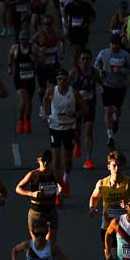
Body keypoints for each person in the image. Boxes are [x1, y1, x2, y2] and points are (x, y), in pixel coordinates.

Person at [42, 69, 85, 198]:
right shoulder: (51, 91)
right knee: (56, 160)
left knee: (68, 159)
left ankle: (66, 180)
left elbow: (85, 109)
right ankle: (58, 186)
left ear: (68, 80)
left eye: (64, 79)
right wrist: (45, 113)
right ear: (57, 80)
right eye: (59, 79)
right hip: (55, 128)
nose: (62, 81)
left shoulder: (74, 93)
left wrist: (76, 114)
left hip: (69, 129)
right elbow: (45, 100)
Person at [94, 35, 130, 149]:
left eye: (116, 45)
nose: (114, 47)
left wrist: (121, 70)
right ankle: (110, 136)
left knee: (117, 109)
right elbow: (96, 64)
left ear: (119, 45)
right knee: (107, 110)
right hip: (107, 85)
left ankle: (116, 119)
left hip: (120, 86)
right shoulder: (104, 53)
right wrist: (101, 71)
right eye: (112, 44)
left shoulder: (125, 55)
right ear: (109, 44)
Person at [15, 150, 63, 240]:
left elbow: (61, 186)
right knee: (37, 245)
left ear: (51, 161)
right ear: (38, 161)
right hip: (37, 213)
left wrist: (60, 194)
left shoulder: (55, 174)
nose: (45, 163)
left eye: (47, 161)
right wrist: (31, 193)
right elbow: (18, 188)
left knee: (50, 244)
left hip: (51, 212)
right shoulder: (33, 175)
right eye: (43, 160)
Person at [70, 49, 98, 169]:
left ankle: (88, 159)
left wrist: (102, 88)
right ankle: (77, 143)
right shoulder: (75, 72)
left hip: (90, 104)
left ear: (91, 60)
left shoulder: (94, 71)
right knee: (77, 131)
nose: (85, 61)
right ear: (79, 60)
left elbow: (101, 82)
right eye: (83, 59)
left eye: (88, 59)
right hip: (77, 105)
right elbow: (66, 85)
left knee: (89, 130)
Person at [8, 31, 38, 134]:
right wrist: (10, 67)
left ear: (28, 40)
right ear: (19, 40)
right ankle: (20, 121)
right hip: (19, 79)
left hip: (30, 79)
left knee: (29, 101)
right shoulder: (15, 48)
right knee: (24, 100)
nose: (23, 41)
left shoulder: (33, 48)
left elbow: (42, 59)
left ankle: (27, 121)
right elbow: (11, 56)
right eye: (21, 39)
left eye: (25, 39)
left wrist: (36, 59)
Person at [63, 0, 95, 66]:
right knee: (75, 52)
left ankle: (80, 66)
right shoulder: (69, 6)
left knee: (81, 52)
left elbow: (93, 15)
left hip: (83, 32)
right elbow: (64, 14)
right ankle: (75, 67)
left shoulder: (86, 5)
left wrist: (88, 23)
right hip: (72, 31)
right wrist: (67, 24)